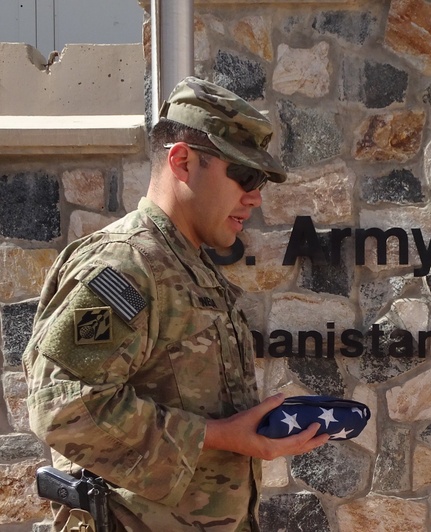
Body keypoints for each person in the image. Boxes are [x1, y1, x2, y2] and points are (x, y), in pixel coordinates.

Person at [22, 77, 331, 531]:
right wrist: (220, 436)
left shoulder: (188, 265)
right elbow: (63, 406)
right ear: (183, 161)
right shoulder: (125, 267)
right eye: (244, 175)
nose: (255, 196)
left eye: (259, 179)